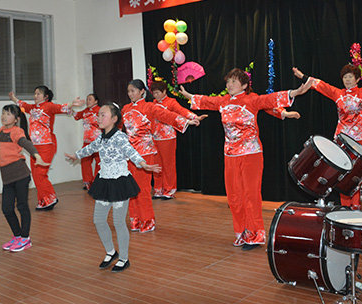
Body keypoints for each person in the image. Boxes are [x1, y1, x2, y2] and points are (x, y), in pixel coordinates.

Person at [179, 68, 310, 250]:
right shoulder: (223, 101)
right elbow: (207, 100)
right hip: (230, 155)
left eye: (234, 81)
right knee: (234, 196)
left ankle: (254, 235)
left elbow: (269, 100)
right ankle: (241, 232)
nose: (229, 84)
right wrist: (189, 95)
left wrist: (294, 93)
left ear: (244, 85)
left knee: (250, 195)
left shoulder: (252, 99)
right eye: (228, 81)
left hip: (251, 154)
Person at [292, 46, 362, 208]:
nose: (347, 79)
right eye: (345, 77)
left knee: (360, 173)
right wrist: (303, 76)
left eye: (350, 77)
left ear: (357, 79)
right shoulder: (337, 94)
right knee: (342, 172)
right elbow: (320, 85)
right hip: (342, 139)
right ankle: (345, 207)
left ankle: (358, 206)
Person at [65, 102, 161, 273]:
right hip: (104, 181)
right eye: (99, 114)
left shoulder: (120, 137)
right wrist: (76, 155)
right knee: (98, 220)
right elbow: (90, 148)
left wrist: (143, 164)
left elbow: (131, 152)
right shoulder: (101, 137)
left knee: (118, 222)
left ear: (114, 119)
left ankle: (124, 258)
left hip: (120, 182)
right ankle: (111, 252)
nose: (99, 117)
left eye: (103, 115)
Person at [123, 79, 200, 233]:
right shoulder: (125, 108)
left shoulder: (150, 107)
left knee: (143, 188)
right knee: (131, 187)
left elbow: (167, 115)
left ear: (142, 92)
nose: (130, 94)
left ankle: (147, 221)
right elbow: (118, 125)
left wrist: (187, 121)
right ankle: (135, 220)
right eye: (129, 91)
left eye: (133, 91)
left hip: (145, 152)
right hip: (130, 154)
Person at [0, 104, 49, 252]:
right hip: (7, 178)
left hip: (20, 175)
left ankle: (25, 238)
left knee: (22, 206)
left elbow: (26, 144)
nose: (4, 116)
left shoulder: (17, 132)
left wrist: (37, 156)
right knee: (6, 208)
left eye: (8, 114)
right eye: (3, 113)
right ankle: (17, 235)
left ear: (16, 119)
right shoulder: (1, 131)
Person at [9, 86, 83, 211]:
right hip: (33, 147)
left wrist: (72, 103)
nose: (35, 96)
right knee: (36, 175)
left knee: (40, 174)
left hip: (46, 145)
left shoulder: (49, 106)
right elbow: (23, 105)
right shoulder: (32, 108)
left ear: (46, 96)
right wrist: (13, 98)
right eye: (35, 93)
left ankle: (50, 199)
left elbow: (60, 108)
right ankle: (44, 200)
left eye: (39, 94)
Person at [150, 80, 207, 199]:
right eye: (154, 93)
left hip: (167, 137)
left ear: (164, 91)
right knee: (156, 164)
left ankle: (169, 190)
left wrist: (195, 117)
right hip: (154, 137)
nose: (155, 95)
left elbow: (182, 111)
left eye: (157, 93)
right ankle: (158, 189)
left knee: (168, 165)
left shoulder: (171, 102)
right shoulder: (152, 104)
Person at [73, 93, 101, 190]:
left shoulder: (100, 110)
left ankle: (98, 183)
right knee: (85, 161)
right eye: (87, 99)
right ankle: (88, 183)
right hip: (87, 141)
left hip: (98, 141)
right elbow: (76, 116)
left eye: (90, 99)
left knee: (99, 162)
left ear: (96, 101)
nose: (88, 101)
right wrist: (72, 105)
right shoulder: (85, 111)